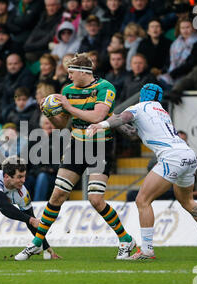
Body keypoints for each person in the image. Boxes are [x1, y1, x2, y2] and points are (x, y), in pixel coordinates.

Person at [15, 53, 136, 261]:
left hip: (100, 146)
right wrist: (50, 113)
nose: (68, 77)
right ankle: (36, 243)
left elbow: (98, 117)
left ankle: (126, 239)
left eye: (71, 72)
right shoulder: (68, 90)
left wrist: (68, 107)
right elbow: (62, 125)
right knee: (57, 196)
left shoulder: (105, 88)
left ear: (83, 72)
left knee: (96, 200)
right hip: (77, 145)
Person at [87, 83, 197, 259]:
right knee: (187, 200)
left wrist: (102, 124)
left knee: (142, 200)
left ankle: (146, 250)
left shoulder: (139, 107)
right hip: (189, 155)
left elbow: (124, 117)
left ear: (142, 95)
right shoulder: (162, 112)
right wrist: (112, 120)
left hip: (171, 157)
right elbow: (131, 133)